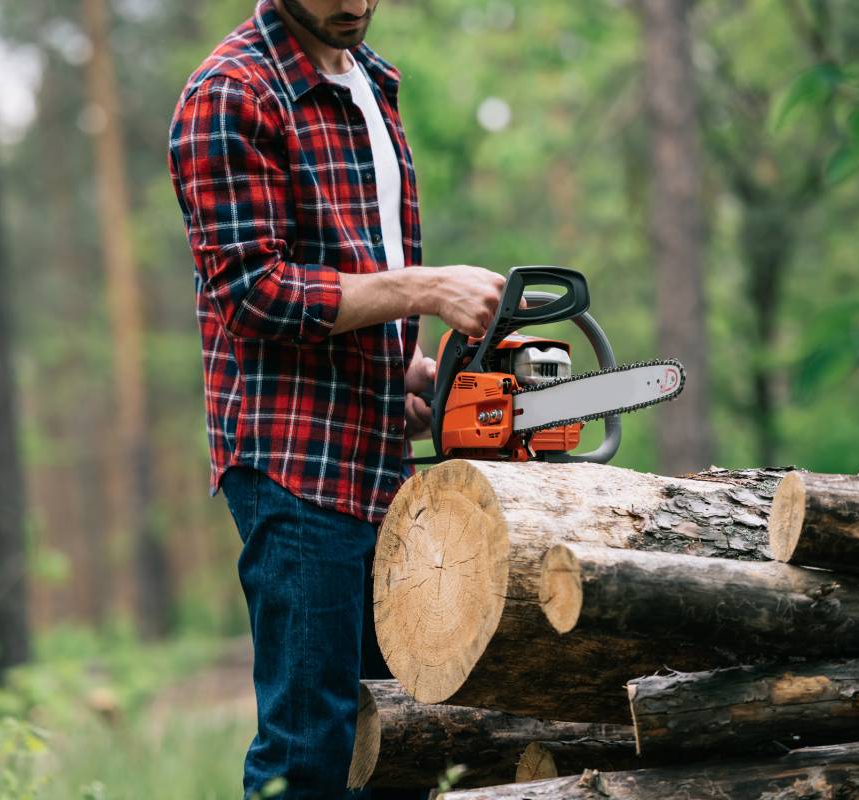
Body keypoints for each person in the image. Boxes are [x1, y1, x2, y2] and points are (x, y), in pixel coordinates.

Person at [168, 1, 505, 797]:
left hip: (377, 459)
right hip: (296, 468)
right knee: (308, 750)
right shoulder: (231, 94)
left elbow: (358, 258)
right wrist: (426, 288)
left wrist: (406, 368)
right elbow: (257, 292)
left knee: (394, 738)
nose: (352, 2)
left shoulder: (370, 81)